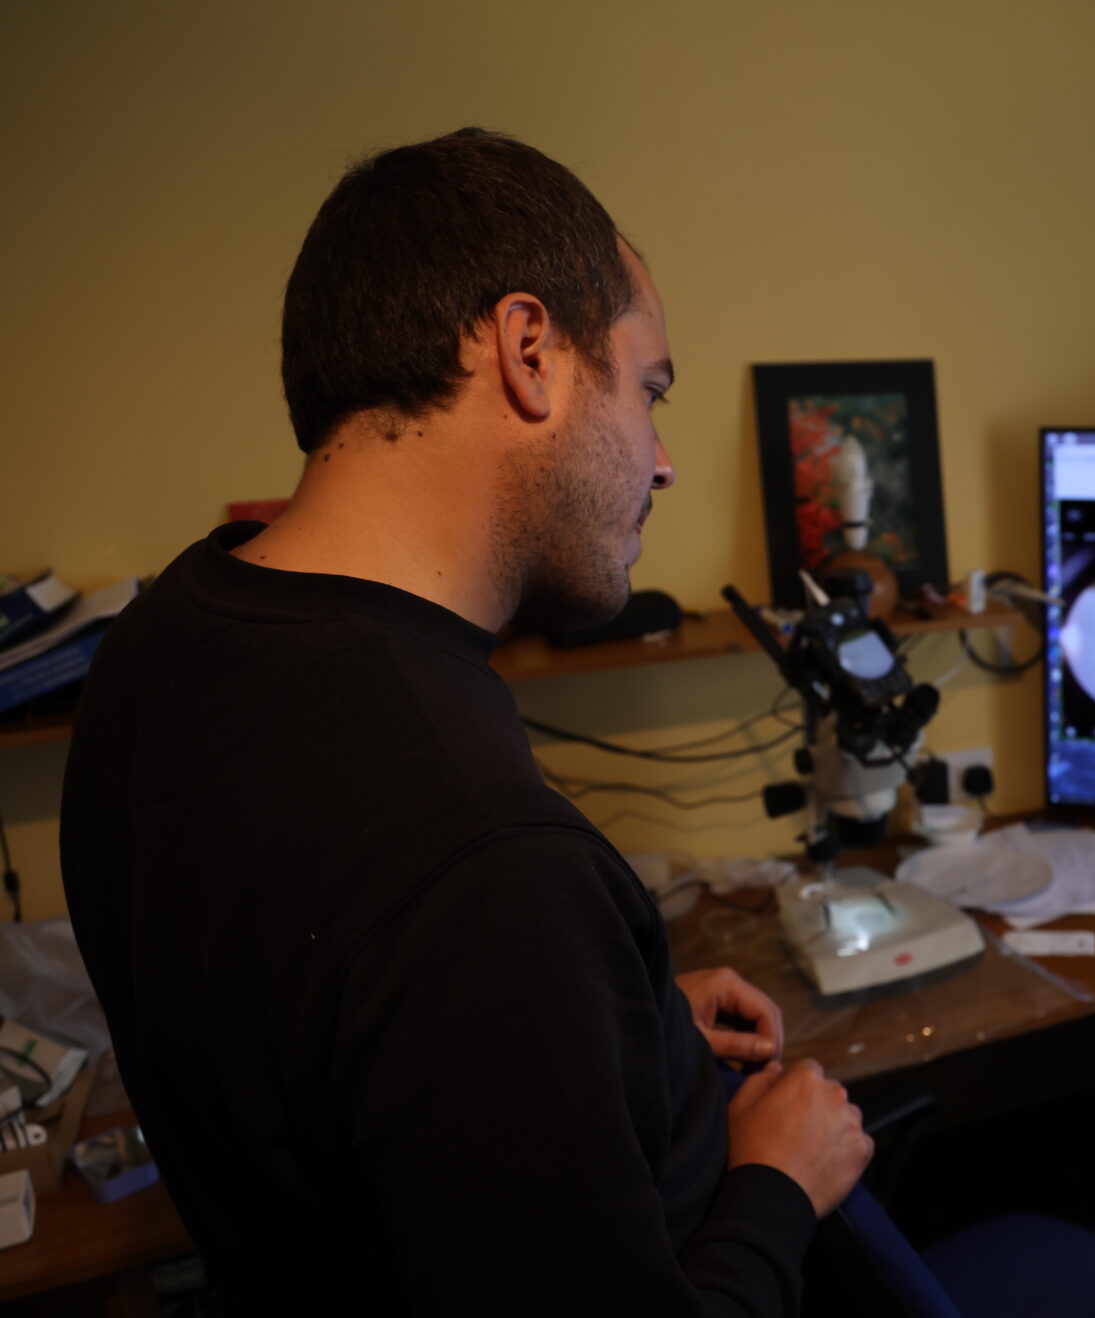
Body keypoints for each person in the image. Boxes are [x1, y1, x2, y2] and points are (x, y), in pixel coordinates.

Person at [61, 129, 873, 1315]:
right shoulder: (481, 863)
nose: (662, 463)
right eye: (648, 393)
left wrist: (611, 1026)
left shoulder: (162, 640)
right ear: (530, 351)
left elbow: (360, 1046)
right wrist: (776, 1188)